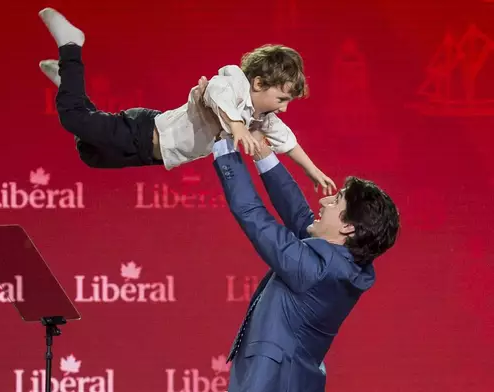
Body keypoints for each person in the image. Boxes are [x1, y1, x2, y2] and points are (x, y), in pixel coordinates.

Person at [191, 77, 400, 391]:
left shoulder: (315, 270)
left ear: (348, 227)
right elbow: (302, 219)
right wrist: (263, 156)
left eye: (336, 199)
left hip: (269, 382)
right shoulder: (343, 263)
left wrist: (223, 143)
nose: (325, 200)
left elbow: (254, 217)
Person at [37, 7, 337, 195]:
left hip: (153, 155)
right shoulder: (235, 82)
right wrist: (236, 128)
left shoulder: (259, 116)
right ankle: (71, 45)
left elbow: (287, 141)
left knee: (90, 154)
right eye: (281, 98)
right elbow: (214, 91)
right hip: (142, 130)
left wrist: (314, 172)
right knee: (73, 119)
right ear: (258, 83)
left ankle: (68, 86)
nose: (282, 108)